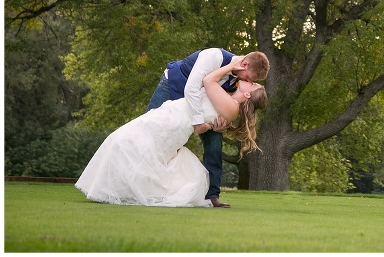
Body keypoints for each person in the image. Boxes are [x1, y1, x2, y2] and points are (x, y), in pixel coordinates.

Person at [75, 58, 268, 207]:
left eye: (252, 84)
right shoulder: (228, 97)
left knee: (131, 142)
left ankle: (120, 190)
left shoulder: (231, 107)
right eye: (253, 80)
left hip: (175, 121)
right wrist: (212, 125)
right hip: (173, 114)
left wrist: (231, 65)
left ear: (248, 94)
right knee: (133, 143)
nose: (248, 80)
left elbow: (208, 80)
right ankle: (120, 188)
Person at [144, 48, 270, 207]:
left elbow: (226, 103)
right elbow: (191, 88)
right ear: (244, 64)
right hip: (174, 85)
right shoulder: (215, 56)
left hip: (202, 106)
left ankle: (212, 195)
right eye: (250, 78)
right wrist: (198, 123)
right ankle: (143, 181)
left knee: (215, 144)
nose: (249, 82)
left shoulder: (239, 81)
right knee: (149, 132)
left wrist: (221, 123)